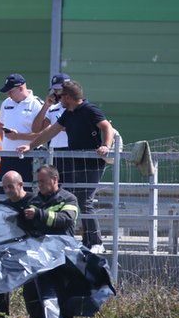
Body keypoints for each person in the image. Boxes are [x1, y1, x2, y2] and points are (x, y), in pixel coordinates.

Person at [17, 79, 114, 254]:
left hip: (91, 163)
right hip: (73, 161)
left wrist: (105, 146)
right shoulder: (69, 113)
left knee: (85, 201)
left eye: (61, 97)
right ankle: (73, 240)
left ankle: (96, 242)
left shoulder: (89, 109)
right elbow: (50, 131)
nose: (59, 100)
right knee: (70, 199)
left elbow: (107, 127)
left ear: (68, 97)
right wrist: (30, 146)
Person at [20, 165, 80, 318]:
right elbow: (30, 224)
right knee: (31, 291)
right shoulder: (34, 200)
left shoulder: (68, 199)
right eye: (38, 181)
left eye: (43, 181)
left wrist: (40, 214)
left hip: (60, 255)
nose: (39, 185)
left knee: (60, 290)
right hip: (38, 254)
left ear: (54, 180)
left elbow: (64, 219)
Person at [0, 170, 32, 318]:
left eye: (10, 187)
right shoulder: (5, 206)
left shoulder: (34, 201)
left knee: (32, 286)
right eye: (4, 188)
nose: (7, 191)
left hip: (32, 250)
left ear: (20, 185)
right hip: (12, 250)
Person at [0, 73, 43, 187]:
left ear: (21, 88)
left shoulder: (37, 104)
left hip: (28, 156)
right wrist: (5, 141)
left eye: (11, 91)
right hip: (7, 155)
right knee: (3, 190)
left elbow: (44, 134)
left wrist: (18, 137)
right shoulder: (6, 102)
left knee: (26, 189)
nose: (8, 94)